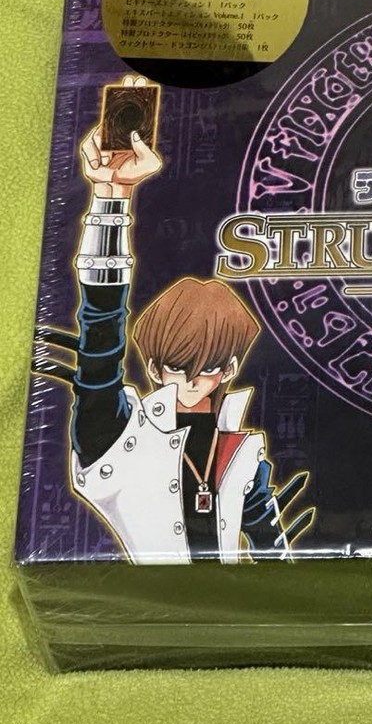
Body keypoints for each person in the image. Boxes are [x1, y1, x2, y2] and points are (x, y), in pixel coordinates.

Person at [34, 77, 313, 564]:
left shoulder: (242, 455)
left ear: (228, 369)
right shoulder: (120, 433)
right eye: (174, 368)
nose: (188, 381)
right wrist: (111, 197)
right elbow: (101, 332)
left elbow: (275, 554)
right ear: (155, 367)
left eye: (206, 368)